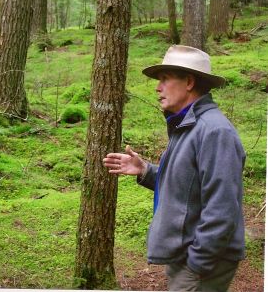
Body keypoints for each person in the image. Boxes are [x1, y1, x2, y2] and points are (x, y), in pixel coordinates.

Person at [103, 45, 245, 291]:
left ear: (189, 82)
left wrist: (197, 263)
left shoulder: (214, 131)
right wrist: (145, 170)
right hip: (188, 255)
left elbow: (222, 209)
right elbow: (189, 184)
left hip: (203, 263)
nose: (158, 88)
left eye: (165, 80)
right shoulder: (188, 126)